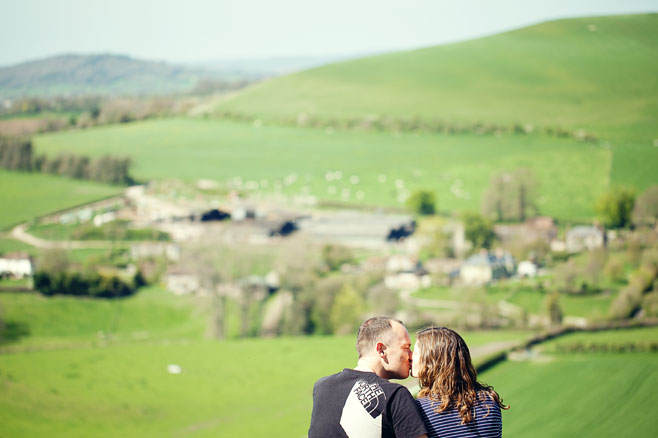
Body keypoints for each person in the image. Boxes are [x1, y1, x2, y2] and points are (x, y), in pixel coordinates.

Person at [309, 316, 428, 438]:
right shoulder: (395, 395)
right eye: (406, 348)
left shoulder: (322, 387)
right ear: (381, 350)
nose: (411, 356)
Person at [411, 326, 509, 438]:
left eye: (415, 353)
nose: (410, 358)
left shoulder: (419, 409)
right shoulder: (490, 402)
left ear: (432, 361)